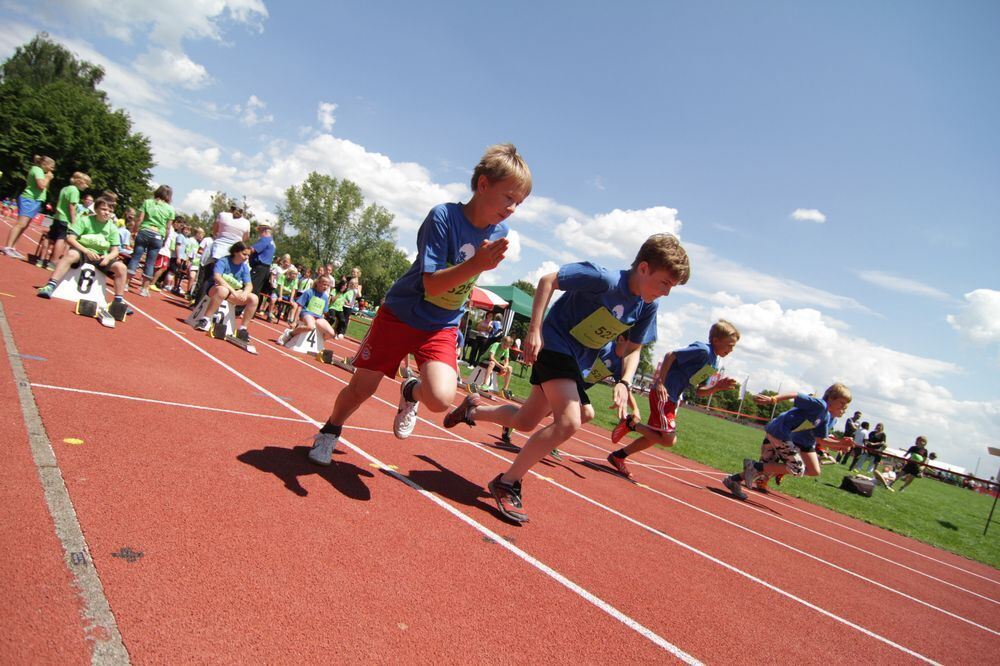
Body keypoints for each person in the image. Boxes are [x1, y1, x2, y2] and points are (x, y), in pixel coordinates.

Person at [306, 143, 531, 467]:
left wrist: (474, 273)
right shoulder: (443, 217)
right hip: (402, 314)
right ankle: (330, 430)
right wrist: (476, 264)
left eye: (519, 203)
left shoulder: (500, 231)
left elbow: (468, 274)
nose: (512, 208)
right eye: (508, 197)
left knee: (440, 398)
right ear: (483, 185)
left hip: (441, 323)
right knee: (361, 390)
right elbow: (432, 283)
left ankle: (410, 391)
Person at [446, 233, 689, 522]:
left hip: (578, 363)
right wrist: (534, 329)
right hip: (554, 344)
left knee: (526, 420)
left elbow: (634, 348)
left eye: (672, 287)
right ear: (644, 268)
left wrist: (625, 381)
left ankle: (473, 409)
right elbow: (549, 280)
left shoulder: (647, 307)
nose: (666, 292)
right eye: (665, 283)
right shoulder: (604, 279)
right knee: (572, 419)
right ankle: (507, 481)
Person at [606, 320, 741, 478]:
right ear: (716, 340)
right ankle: (631, 423)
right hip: (664, 394)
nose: (731, 350)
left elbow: (698, 391)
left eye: (733, 346)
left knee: (656, 436)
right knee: (669, 440)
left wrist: (716, 387)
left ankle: (619, 456)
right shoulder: (702, 350)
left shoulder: (713, 362)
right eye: (729, 345)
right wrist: (660, 382)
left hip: (673, 398)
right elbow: (671, 355)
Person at [722, 384, 855, 500]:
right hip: (780, 432)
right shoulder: (820, 405)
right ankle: (754, 466)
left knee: (767, 468)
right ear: (831, 398)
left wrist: (840, 444)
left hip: (784, 436)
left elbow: (820, 439)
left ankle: (734, 480)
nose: (844, 407)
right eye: (842, 403)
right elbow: (795, 395)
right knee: (796, 468)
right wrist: (773, 399)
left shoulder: (825, 416)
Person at [35, 196, 129, 313]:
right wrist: (86, 251)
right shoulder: (85, 220)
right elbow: (70, 238)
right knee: (70, 255)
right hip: (82, 251)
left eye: (110, 211)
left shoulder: (112, 227)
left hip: (100, 256)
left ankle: (118, 301)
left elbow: (115, 250)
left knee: (122, 267)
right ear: (96, 209)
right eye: (104, 209)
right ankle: (50, 285)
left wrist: (108, 257)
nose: (107, 213)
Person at [192, 242, 259, 342]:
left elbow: (249, 285)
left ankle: (243, 329)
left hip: (233, 294)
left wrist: (245, 293)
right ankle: (205, 319)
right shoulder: (224, 261)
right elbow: (217, 277)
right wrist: (233, 291)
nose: (246, 257)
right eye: (244, 254)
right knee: (223, 290)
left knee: (254, 298)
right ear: (236, 252)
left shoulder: (244, 267)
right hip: (215, 289)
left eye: (248, 255)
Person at [3, 155, 55, 259]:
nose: (53, 169)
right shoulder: (38, 170)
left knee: (24, 225)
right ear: (44, 164)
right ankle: (8, 247)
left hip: (35, 200)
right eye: (52, 166)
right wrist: (48, 178)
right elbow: (41, 186)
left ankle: (12, 247)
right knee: (21, 224)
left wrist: (47, 178)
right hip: (29, 199)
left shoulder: (40, 171)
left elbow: (43, 187)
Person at [127, 185, 175, 297]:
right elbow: (168, 228)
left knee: (136, 257)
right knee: (151, 262)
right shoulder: (170, 209)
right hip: (158, 234)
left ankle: (126, 283)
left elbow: (139, 219)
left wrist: (134, 231)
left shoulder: (147, 202)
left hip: (144, 231)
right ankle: (144, 289)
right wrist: (165, 240)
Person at [41, 172, 91, 268]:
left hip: (58, 217)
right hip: (65, 219)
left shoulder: (65, 188)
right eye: (86, 184)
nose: (87, 186)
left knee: (50, 237)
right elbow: (71, 207)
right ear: (79, 181)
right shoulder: (75, 191)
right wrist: (74, 221)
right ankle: (53, 261)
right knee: (61, 239)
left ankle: (41, 259)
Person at [277, 275, 337, 348]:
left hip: (318, 317)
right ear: (318, 283)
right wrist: (295, 321)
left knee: (332, 333)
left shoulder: (325, 297)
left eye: (328, 285)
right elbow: (299, 307)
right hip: (307, 313)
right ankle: (290, 334)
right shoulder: (309, 292)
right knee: (310, 326)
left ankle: (319, 342)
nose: (326, 287)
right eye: (324, 284)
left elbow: (324, 312)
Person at [249, 222, 276, 299]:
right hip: (265, 269)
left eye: (260, 230)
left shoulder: (265, 240)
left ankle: (239, 309)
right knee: (256, 290)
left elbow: (252, 250)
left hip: (259, 268)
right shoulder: (271, 241)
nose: (259, 233)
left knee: (250, 287)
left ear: (264, 230)